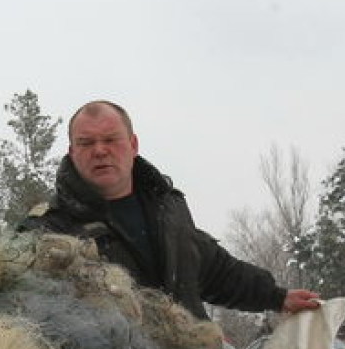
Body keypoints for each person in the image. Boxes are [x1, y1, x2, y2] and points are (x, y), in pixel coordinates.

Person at [21, 100, 321, 320]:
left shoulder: (168, 210)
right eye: (86, 143)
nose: (99, 150)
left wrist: (276, 296)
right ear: (72, 152)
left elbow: (216, 270)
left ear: (133, 144)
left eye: (111, 139)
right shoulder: (47, 231)